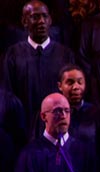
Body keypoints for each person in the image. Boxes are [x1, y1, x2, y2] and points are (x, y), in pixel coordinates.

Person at [14, 93, 98, 172]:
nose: (63, 116)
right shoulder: (29, 154)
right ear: (43, 116)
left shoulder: (84, 151)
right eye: (57, 111)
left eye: (67, 111)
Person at [2, 1, 76, 136]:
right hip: (22, 129)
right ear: (24, 21)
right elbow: (8, 94)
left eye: (45, 16)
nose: (41, 21)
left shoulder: (65, 54)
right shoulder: (13, 54)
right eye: (35, 17)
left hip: (56, 129)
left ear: (50, 20)